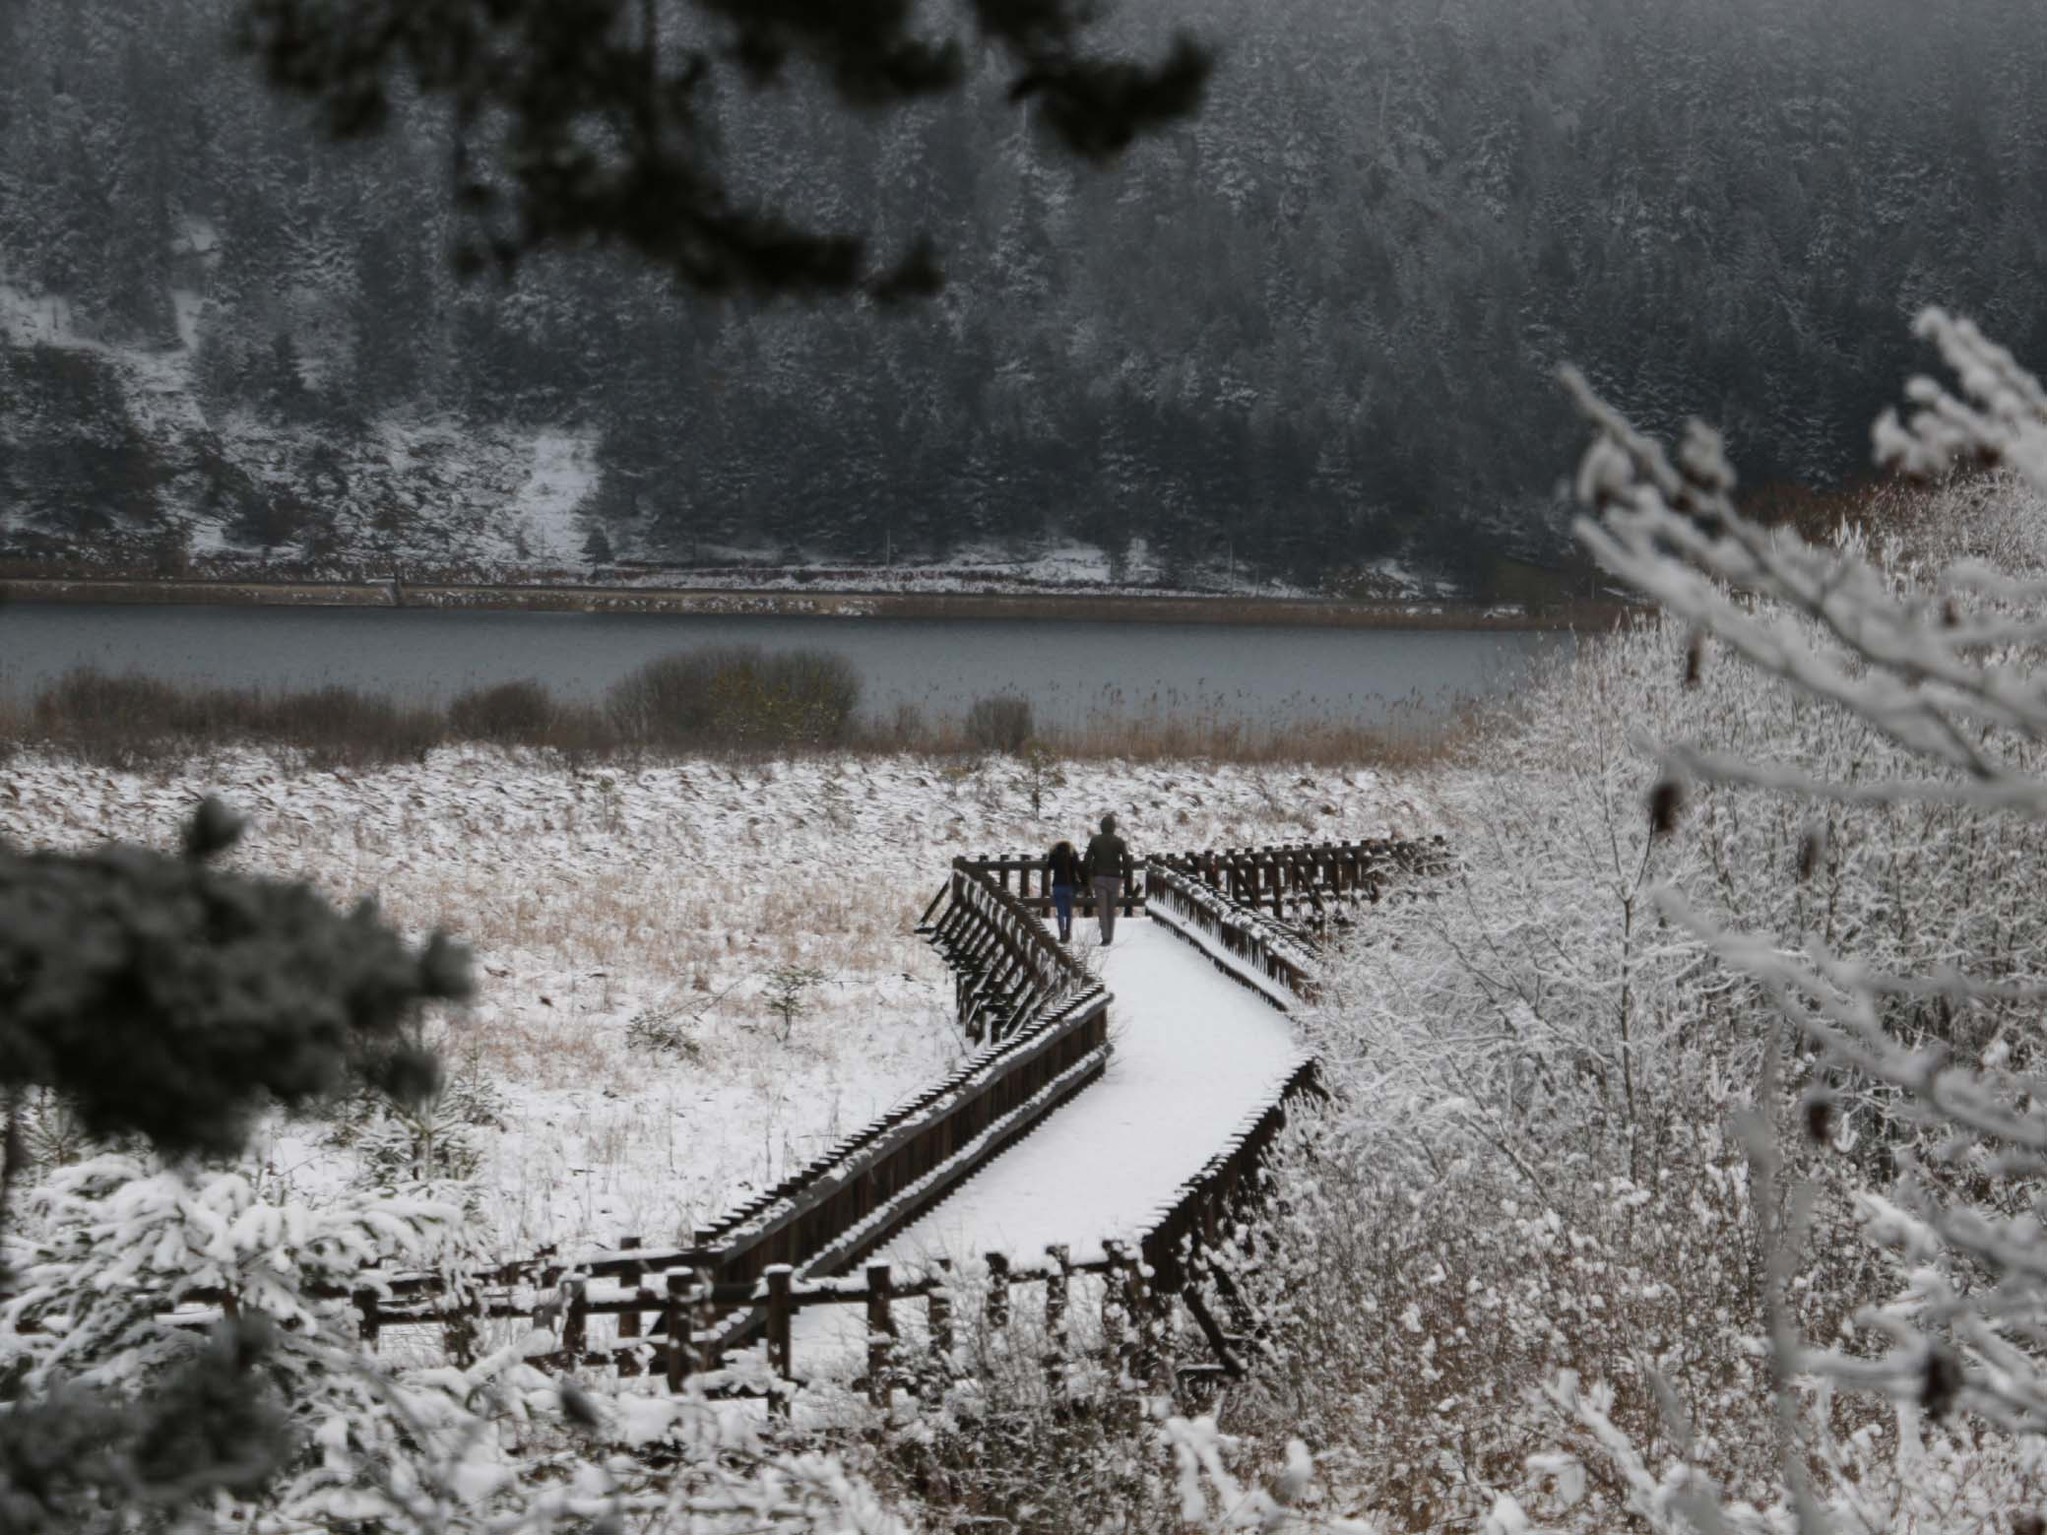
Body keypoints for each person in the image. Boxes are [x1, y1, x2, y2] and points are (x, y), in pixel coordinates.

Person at [1082, 812, 1133, 945]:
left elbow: (1086, 860)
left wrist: (1087, 876)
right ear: (1113, 827)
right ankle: (1109, 935)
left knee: (1102, 908)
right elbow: (1127, 860)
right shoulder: (1119, 841)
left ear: (1101, 827)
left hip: (1099, 877)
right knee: (1111, 909)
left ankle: (1105, 936)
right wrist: (1124, 876)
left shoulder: (1095, 841)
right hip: (1115, 878)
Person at [1045, 838, 1084, 942]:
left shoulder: (1054, 854)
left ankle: (1062, 934)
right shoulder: (1072, 854)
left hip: (1057, 886)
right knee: (1068, 911)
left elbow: (1048, 866)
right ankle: (1068, 933)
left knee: (1060, 912)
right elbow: (1078, 868)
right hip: (1069, 886)